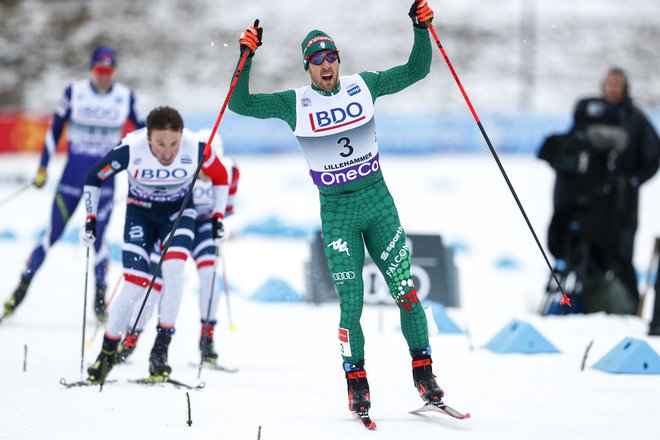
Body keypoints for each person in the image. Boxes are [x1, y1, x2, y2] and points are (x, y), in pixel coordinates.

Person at [229, 1, 443, 417]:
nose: (325, 65)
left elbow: (417, 70)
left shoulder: (365, 85)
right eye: (316, 60)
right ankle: (356, 383)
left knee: (405, 292)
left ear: (339, 60)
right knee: (352, 303)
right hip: (338, 213)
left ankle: (425, 374)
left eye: (330, 57)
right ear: (306, 67)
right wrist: (245, 57)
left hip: (378, 204)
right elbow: (241, 104)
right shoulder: (295, 103)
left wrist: (420, 27)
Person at [81, 107, 229, 383]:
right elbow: (94, 177)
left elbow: (221, 177)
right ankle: (106, 353)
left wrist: (219, 216)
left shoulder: (196, 148)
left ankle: (160, 352)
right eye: (160, 143)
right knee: (135, 285)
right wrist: (90, 217)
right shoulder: (130, 149)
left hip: (178, 213)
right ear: (148, 138)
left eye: (173, 143)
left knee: (174, 274)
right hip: (140, 214)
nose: (167, 151)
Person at [2, 46, 143, 323]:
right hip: (72, 178)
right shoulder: (74, 92)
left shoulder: (125, 97)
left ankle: (100, 305)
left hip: (104, 182)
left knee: (100, 242)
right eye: (99, 70)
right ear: (92, 69)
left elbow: (141, 133)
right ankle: (17, 294)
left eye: (109, 71)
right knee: (50, 236)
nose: (104, 76)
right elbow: (54, 131)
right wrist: (42, 167)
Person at [113, 129, 240, 367]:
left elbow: (228, 206)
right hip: (176, 225)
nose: (204, 174)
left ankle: (206, 341)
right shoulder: (182, 161)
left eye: (208, 170)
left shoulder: (230, 169)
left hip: (202, 228)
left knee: (210, 278)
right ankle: (130, 339)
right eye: (200, 169)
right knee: (154, 286)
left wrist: (219, 223)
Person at [539, 67, 660, 314]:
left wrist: (632, 181)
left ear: (625, 88)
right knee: (584, 248)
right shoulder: (591, 114)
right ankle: (582, 300)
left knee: (621, 253)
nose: (612, 90)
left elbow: (653, 157)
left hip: (622, 201)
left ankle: (627, 305)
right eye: (609, 85)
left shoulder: (635, 119)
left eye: (617, 85)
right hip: (591, 199)